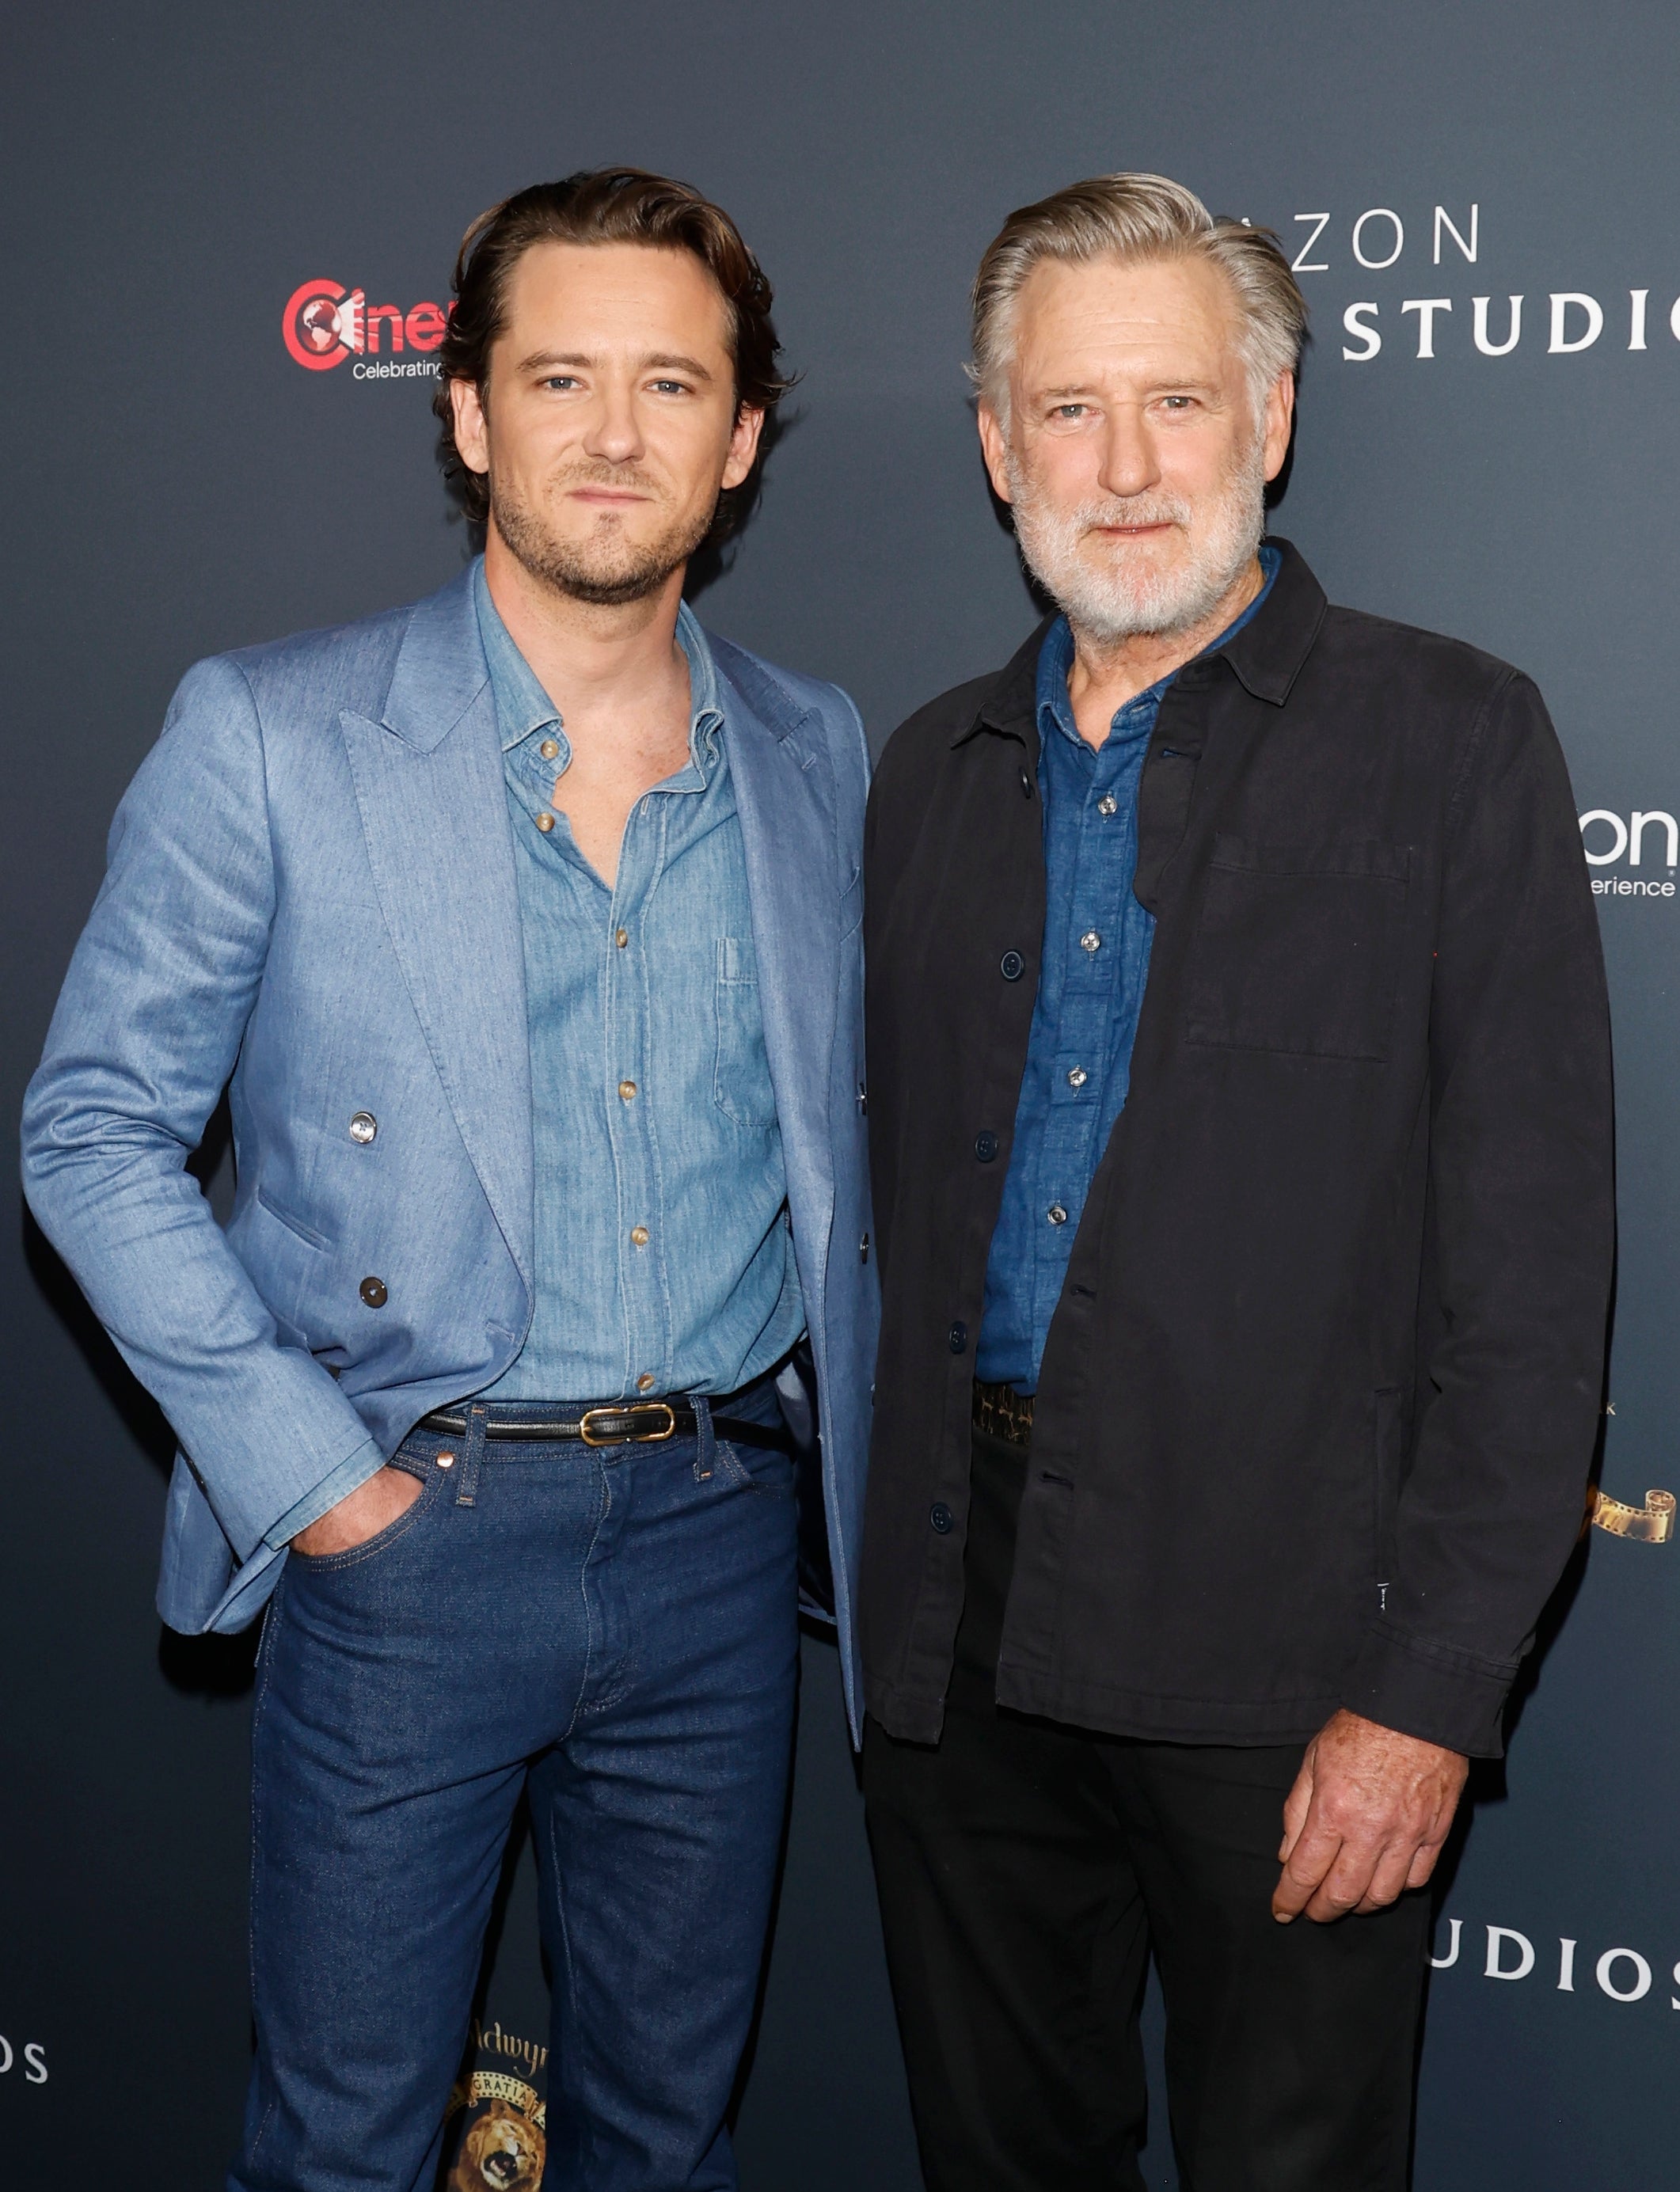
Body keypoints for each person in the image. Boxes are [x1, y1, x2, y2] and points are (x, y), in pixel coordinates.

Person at [22, 167, 875, 2192]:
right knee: (342, 2146)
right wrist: (318, 1483)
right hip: (418, 1530)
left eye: (671, 383)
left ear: (741, 437)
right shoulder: (273, 731)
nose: (613, 433)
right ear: (469, 412)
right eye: (558, 377)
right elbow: (89, 1125)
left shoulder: (815, 746)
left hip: (720, 1532)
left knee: (665, 2139)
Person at [857, 173, 1612, 2192]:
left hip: (1293, 1655)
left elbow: (1532, 1286)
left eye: (1175, 402)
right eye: (1068, 409)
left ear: (1267, 421)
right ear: (995, 445)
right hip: (951, 1635)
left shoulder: (1454, 740)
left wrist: (1422, 1697)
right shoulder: (923, 771)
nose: (1123, 467)